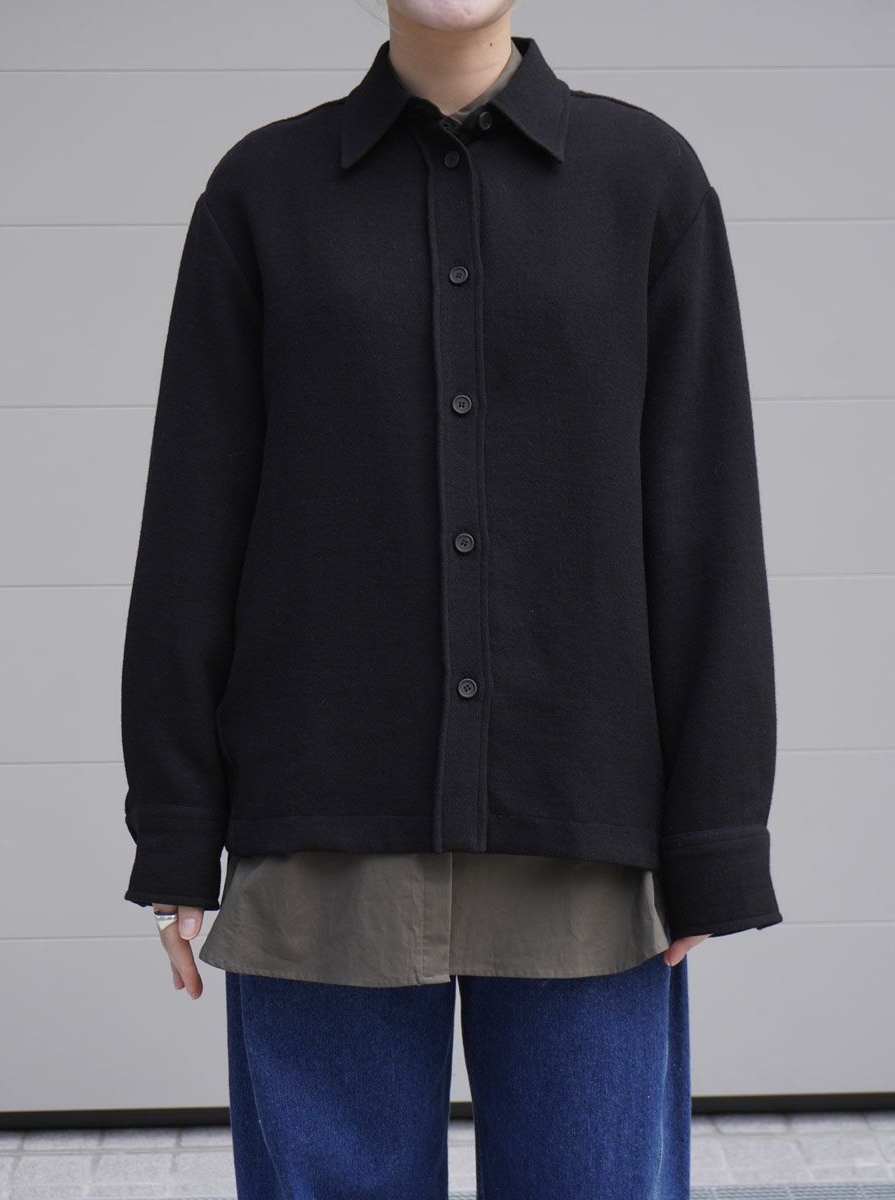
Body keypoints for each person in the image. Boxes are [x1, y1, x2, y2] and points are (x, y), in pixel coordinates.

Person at [121, 2, 782, 1196]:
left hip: (584, 832)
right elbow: (192, 524)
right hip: (323, 830)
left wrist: (716, 839)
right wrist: (175, 823)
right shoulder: (263, 194)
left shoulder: (647, 183)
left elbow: (704, 522)